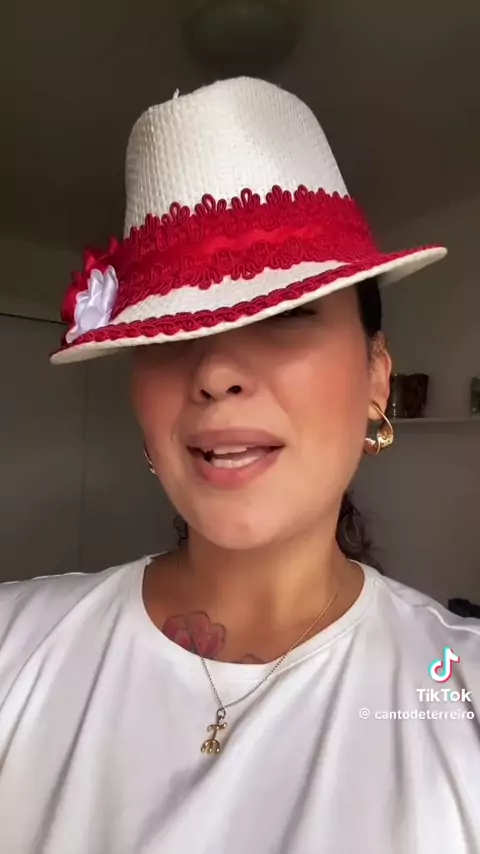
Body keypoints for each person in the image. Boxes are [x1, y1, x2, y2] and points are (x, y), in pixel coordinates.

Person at [0, 77, 478, 854]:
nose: (216, 372)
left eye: (287, 314)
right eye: (170, 333)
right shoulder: (14, 649)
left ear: (377, 376)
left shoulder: (459, 695)